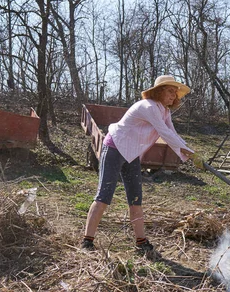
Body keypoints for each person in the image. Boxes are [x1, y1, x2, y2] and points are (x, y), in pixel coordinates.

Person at [82, 75, 199, 255]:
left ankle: (141, 242)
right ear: (159, 91)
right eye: (170, 91)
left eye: (175, 93)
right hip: (114, 147)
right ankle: (87, 241)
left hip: (131, 154)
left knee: (136, 199)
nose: (173, 96)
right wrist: (188, 153)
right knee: (104, 196)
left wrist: (189, 153)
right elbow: (164, 133)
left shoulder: (164, 111)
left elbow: (172, 133)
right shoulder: (148, 107)